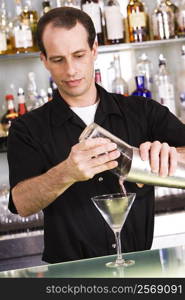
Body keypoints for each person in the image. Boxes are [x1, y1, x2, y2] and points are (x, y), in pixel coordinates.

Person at [8, 7, 185, 264]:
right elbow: (22, 204)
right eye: (58, 59)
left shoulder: (143, 112)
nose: (70, 70)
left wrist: (171, 155)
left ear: (94, 49)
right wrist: (66, 172)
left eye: (79, 55)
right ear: (43, 60)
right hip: (69, 276)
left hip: (139, 268)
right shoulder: (27, 128)